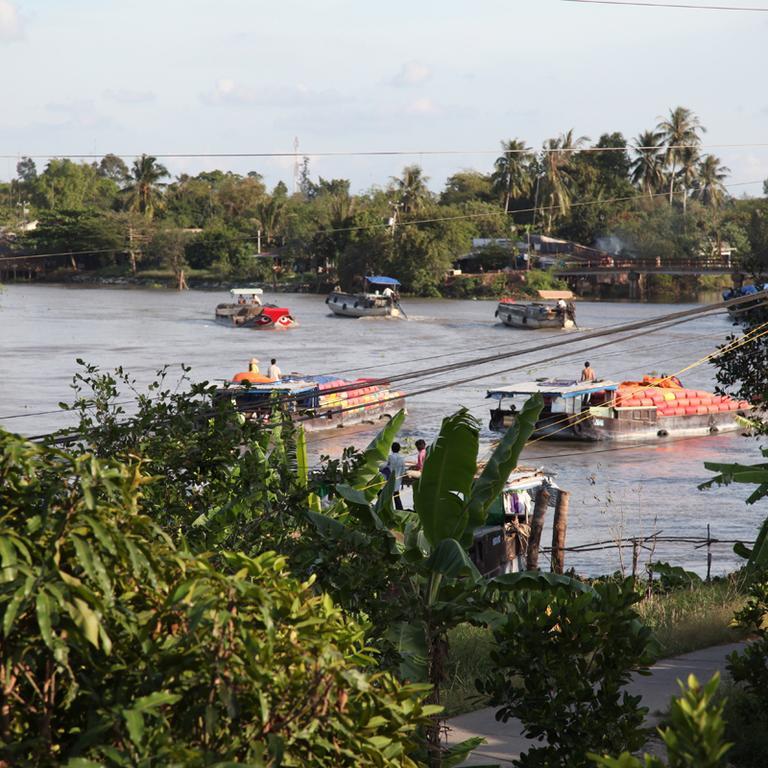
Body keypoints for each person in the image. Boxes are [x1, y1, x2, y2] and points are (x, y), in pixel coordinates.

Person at [386, 442, 407, 510]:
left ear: (392, 449)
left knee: (388, 496)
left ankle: (389, 509)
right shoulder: (402, 458)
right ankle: (399, 509)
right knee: (396, 495)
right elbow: (403, 470)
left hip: (390, 479)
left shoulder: (390, 457)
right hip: (398, 480)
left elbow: (386, 467)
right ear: (399, 449)